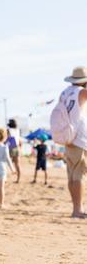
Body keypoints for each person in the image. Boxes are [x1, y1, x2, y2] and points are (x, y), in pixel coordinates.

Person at [57, 66, 87, 218]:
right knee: (79, 175)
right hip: (79, 139)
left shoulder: (65, 93)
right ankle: (77, 210)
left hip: (67, 137)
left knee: (72, 175)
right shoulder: (81, 92)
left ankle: (77, 208)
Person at [6, 119, 22, 183]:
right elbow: (19, 140)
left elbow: (6, 139)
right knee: (17, 164)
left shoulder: (8, 130)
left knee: (5, 163)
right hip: (17, 147)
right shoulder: (18, 130)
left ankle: (5, 178)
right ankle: (18, 179)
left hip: (10, 148)